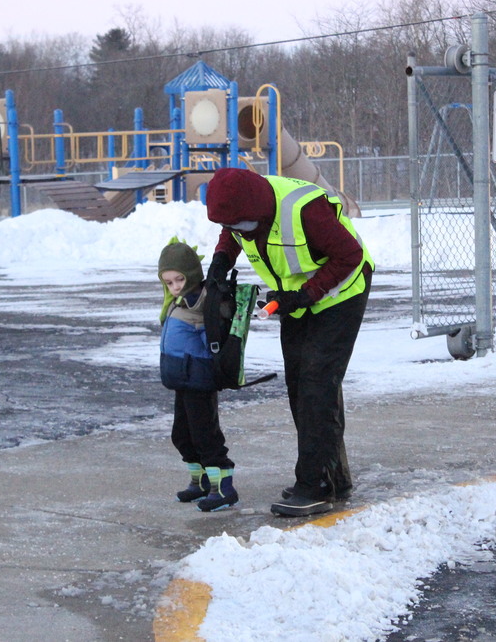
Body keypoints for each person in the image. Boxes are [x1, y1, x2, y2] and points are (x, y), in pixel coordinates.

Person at [204, 167, 373, 517]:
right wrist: (221, 261)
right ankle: (333, 475)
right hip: (295, 300)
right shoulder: (244, 214)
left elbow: (350, 256)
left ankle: (315, 486)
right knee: (301, 385)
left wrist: (307, 294)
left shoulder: (305, 209)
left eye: (240, 225)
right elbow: (231, 231)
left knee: (317, 385)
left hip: (341, 295)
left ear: (258, 211)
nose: (236, 232)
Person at [158, 239, 238, 512]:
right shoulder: (178, 300)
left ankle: (223, 486)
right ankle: (201, 480)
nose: (175, 286)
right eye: (168, 282)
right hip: (183, 378)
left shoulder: (201, 300)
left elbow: (214, 332)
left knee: (205, 435)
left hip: (199, 378)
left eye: (179, 279)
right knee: (181, 434)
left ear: (191, 275)